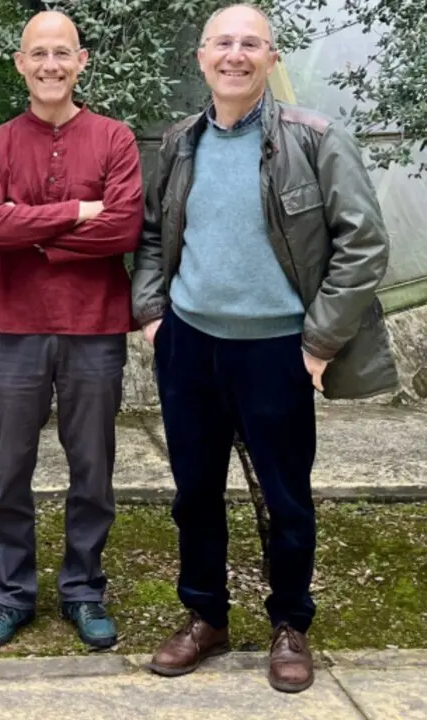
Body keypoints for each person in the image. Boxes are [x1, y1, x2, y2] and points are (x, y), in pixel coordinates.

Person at [132, 3, 396, 693]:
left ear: (271, 59)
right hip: (189, 347)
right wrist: (154, 316)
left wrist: (318, 344)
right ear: (201, 56)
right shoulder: (181, 140)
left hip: (278, 350)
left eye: (251, 44)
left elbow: (363, 244)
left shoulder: (315, 137)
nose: (235, 55)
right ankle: (205, 617)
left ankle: (290, 625)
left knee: (285, 499)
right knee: (194, 495)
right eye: (223, 43)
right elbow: (153, 235)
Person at [0, 11, 143, 651]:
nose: (49, 65)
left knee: (92, 468)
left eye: (61, 53)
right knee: (6, 470)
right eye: (37, 54)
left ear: (82, 61)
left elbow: (123, 229)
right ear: (20, 63)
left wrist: (34, 232)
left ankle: (83, 589)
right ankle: (12, 592)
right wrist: (75, 213)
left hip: (95, 328)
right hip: (16, 329)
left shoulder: (116, 139)